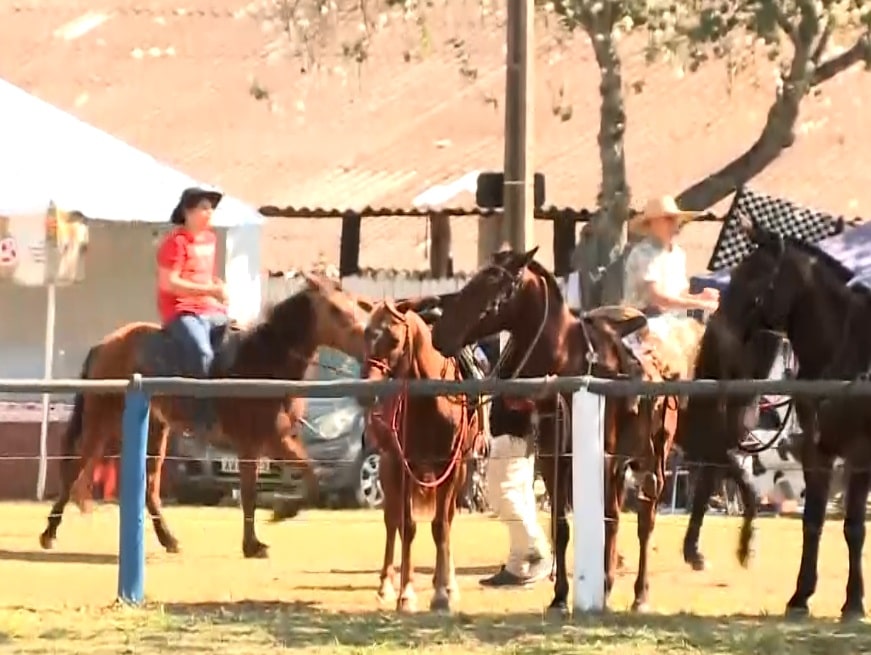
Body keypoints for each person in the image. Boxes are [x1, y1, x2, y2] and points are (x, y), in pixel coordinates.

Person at [156, 186, 229, 430]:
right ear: (188, 211)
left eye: (211, 208)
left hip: (210, 309)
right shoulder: (175, 243)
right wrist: (210, 291)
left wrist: (218, 288)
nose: (210, 213)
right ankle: (202, 415)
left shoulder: (210, 239)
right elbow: (169, 284)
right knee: (202, 353)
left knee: (239, 343)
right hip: (181, 310)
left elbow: (203, 276)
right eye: (204, 208)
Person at [479, 395, 552, 587]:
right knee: (521, 499)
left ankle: (538, 548)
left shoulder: (517, 366)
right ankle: (517, 567)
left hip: (511, 435)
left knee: (501, 495)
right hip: (519, 435)